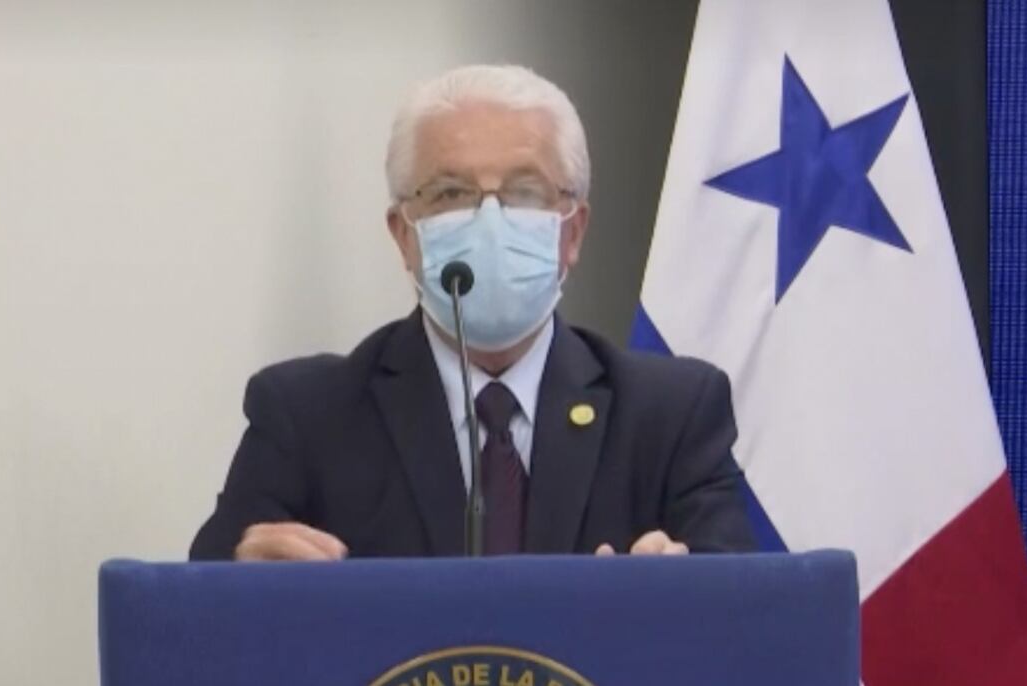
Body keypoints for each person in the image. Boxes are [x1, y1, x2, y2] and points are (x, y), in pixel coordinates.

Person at [189, 64, 757, 561]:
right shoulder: (307, 417)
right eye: (450, 193)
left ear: (573, 232)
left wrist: (680, 590)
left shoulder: (671, 416)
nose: (490, 222)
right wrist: (243, 582)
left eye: (525, 192)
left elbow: (746, 618)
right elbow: (196, 614)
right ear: (404, 235)